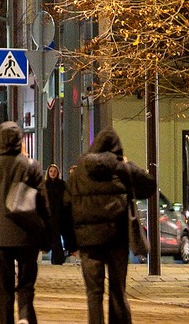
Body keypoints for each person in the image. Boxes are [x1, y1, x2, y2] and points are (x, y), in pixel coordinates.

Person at [64, 130, 155, 324]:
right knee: (117, 290)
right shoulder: (121, 168)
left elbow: (65, 208)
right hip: (116, 238)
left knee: (94, 293)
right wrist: (126, 164)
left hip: (88, 242)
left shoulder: (79, 171)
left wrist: (71, 244)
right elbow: (149, 186)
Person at [0, 122, 45, 324]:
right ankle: (24, 315)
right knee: (26, 283)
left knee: (4, 288)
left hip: (1, 237)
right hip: (27, 235)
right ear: (20, 140)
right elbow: (43, 203)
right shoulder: (31, 165)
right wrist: (47, 236)